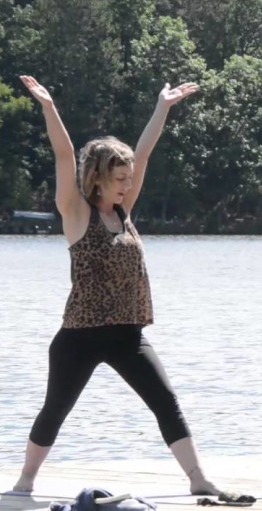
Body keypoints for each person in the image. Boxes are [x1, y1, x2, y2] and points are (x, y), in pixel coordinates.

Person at [14, 75, 219, 495]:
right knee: (56, 410)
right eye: (119, 178)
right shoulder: (75, 211)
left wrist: (162, 107)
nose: (128, 184)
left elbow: (143, 154)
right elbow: (64, 153)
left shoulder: (124, 213)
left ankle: (199, 481)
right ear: (97, 179)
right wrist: (50, 107)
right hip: (80, 336)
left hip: (129, 334)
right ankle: (24, 482)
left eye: (128, 178)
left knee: (166, 401)